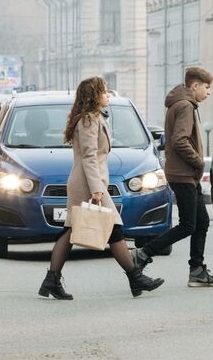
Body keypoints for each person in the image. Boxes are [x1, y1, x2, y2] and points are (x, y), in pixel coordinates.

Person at [38, 77, 164, 299]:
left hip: (90, 182)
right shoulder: (88, 120)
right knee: (113, 228)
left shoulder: (94, 118)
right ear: (93, 96)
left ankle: (52, 280)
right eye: (104, 92)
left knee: (72, 231)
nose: (108, 95)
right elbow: (89, 157)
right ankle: (135, 277)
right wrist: (96, 189)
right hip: (87, 184)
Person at [133, 67, 213, 288]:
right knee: (188, 225)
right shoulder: (185, 106)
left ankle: (197, 270)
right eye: (207, 87)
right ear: (195, 86)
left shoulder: (183, 104)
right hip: (183, 174)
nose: (209, 92)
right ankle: (143, 254)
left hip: (185, 174)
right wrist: (199, 161)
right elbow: (180, 140)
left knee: (201, 222)